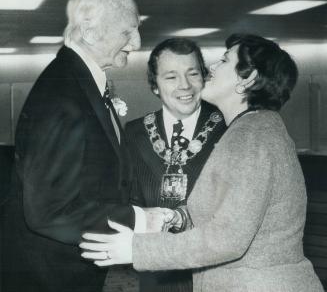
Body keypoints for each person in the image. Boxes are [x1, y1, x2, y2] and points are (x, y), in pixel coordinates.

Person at [80, 34, 324, 291]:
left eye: (224, 60)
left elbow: (227, 238)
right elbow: (228, 212)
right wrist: (178, 217)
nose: (213, 68)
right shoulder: (253, 129)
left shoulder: (252, 136)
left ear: (247, 78)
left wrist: (136, 249)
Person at [2, 0, 169, 292]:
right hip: (45, 278)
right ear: (90, 31)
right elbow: (47, 212)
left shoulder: (80, 84)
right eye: (127, 31)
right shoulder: (62, 94)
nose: (136, 43)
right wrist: (139, 220)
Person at [125, 38, 226, 292]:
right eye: (171, 77)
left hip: (215, 272)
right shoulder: (135, 132)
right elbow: (129, 198)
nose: (185, 85)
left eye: (193, 74)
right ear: (154, 85)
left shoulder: (228, 127)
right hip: (157, 275)